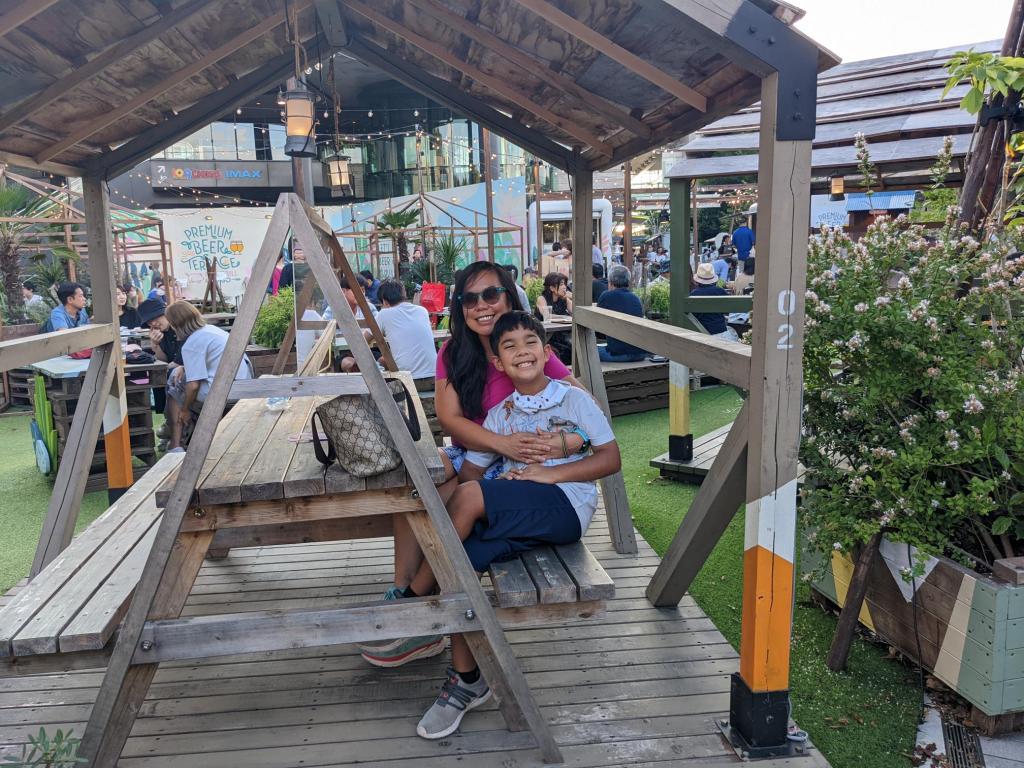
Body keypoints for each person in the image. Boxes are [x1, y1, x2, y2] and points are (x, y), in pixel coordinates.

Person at [355, 261, 586, 668]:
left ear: (508, 297)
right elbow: (450, 420)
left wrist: (564, 441)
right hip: (475, 451)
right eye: (469, 298)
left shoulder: (522, 346)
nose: (481, 305)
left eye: (491, 295)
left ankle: (422, 609)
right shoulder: (454, 351)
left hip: (511, 464)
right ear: (460, 306)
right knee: (416, 484)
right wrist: (500, 442)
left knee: (451, 498)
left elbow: (583, 404)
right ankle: (404, 593)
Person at [411, 311, 621, 740]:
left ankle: (412, 603)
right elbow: (471, 472)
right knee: (463, 561)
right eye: (509, 346)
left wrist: (548, 474)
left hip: (565, 506)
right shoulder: (500, 415)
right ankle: (467, 679)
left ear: (547, 352)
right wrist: (480, 497)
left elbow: (611, 459)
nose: (522, 351)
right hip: (523, 510)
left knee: (470, 499)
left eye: (530, 342)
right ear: (499, 364)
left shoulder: (573, 400)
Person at [165, 301, 253, 449]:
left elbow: (193, 386)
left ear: (175, 325)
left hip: (222, 392)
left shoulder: (191, 343)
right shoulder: (212, 331)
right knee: (179, 375)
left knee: (174, 381)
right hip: (242, 385)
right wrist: (184, 367)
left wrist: (185, 410)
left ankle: (176, 442)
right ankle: (180, 436)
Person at [139, 298, 185, 451]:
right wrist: (155, 345)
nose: (154, 323)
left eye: (156, 318)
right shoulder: (163, 333)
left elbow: (177, 362)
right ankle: (168, 421)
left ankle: (171, 426)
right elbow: (163, 360)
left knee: (165, 374)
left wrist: (164, 367)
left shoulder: (180, 328)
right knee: (158, 376)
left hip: (188, 370)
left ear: (165, 313)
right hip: (175, 371)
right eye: (149, 322)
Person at [375, 279, 437, 381]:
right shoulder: (422, 311)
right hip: (435, 377)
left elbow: (365, 339)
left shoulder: (383, 314)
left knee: (379, 368)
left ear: (384, 301)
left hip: (408, 380)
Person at [596, 265, 647, 362]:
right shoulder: (635, 298)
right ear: (628, 281)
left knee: (587, 350)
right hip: (640, 353)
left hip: (619, 354)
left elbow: (597, 327)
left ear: (610, 281)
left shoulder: (606, 296)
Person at [691, 263, 739, 341]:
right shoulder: (720, 291)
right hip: (720, 330)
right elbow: (728, 310)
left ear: (697, 280)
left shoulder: (694, 294)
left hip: (701, 330)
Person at [533, 272, 572, 364]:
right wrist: (566, 317)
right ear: (552, 288)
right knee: (563, 351)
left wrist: (573, 298)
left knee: (572, 348)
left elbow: (576, 312)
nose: (564, 287)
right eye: (561, 284)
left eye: (565, 284)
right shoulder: (542, 299)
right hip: (545, 337)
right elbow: (547, 315)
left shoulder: (564, 299)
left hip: (561, 335)